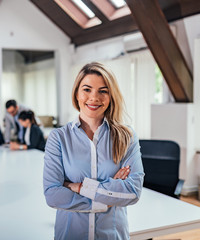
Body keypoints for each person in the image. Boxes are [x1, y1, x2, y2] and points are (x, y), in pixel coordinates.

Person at [43, 62, 144, 240]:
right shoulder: (58, 138)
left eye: (103, 91)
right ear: (76, 93)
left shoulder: (127, 137)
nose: (94, 97)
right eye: (87, 89)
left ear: (111, 96)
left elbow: (133, 191)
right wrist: (107, 197)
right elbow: (53, 195)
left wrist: (77, 187)